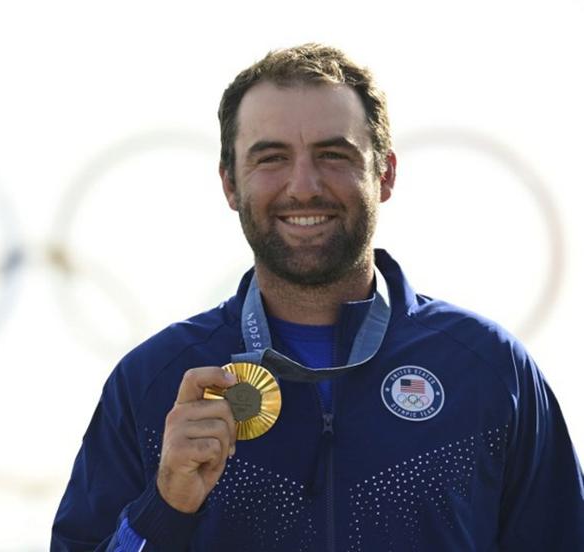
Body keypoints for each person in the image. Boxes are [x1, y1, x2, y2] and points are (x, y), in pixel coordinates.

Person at [51, 43, 584, 551]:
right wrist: (165, 505)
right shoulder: (152, 384)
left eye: (333, 155)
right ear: (230, 185)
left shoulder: (489, 369)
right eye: (271, 158)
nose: (303, 186)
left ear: (385, 175)